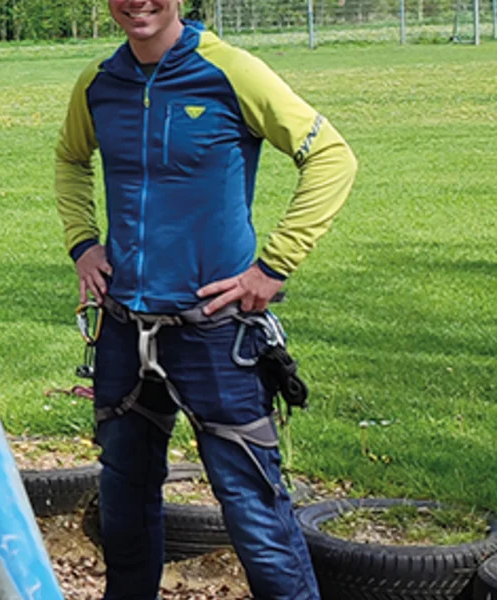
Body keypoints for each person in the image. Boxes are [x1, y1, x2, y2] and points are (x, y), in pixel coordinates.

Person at [53, 1, 357, 598]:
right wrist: (83, 244)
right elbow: (70, 159)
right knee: (123, 502)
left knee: (253, 510)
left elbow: (331, 156)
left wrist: (272, 268)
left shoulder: (230, 70)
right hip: (122, 327)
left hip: (215, 330)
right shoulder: (98, 84)